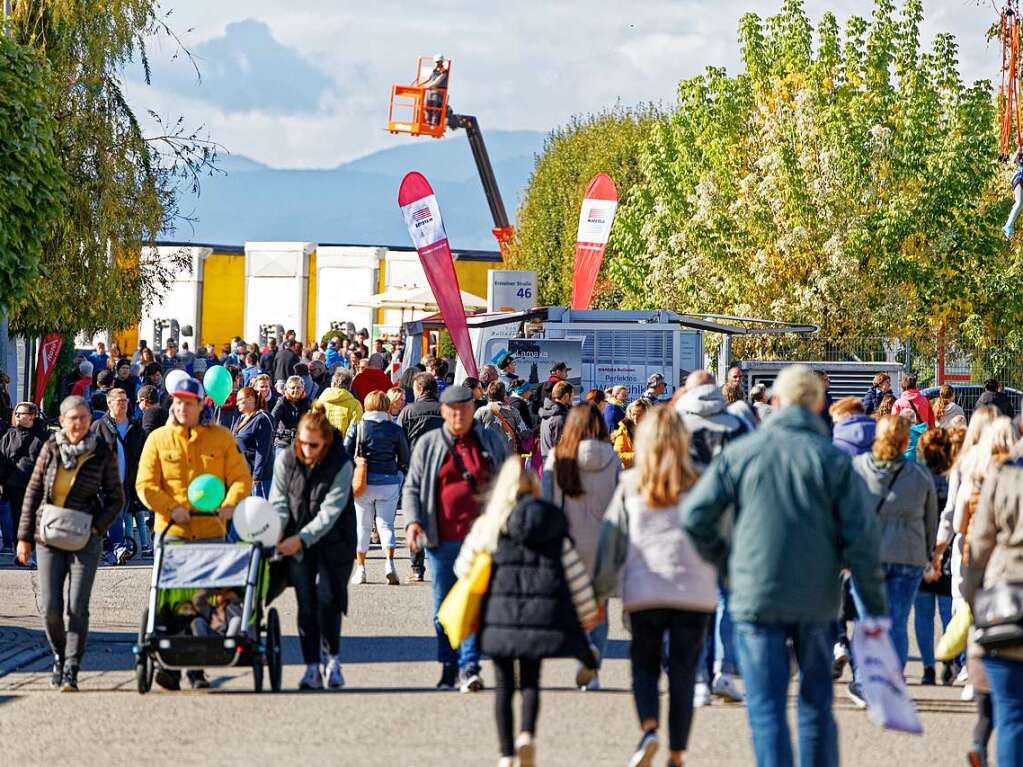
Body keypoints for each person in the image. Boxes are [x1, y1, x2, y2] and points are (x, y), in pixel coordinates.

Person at [683, 365, 886, 767]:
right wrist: (875, 608)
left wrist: (726, 562)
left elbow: (694, 518)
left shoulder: (742, 453)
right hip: (817, 596)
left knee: (767, 707)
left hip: (755, 592)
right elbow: (862, 540)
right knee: (815, 705)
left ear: (775, 401)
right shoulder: (833, 461)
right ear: (817, 405)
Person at [594, 405, 717, 767]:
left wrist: (599, 593)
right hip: (694, 590)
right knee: (683, 670)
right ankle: (677, 752)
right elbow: (721, 535)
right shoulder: (702, 479)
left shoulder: (632, 484)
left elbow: (610, 539)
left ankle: (649, 727)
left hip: (644, 587)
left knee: (644, 665)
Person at [455, 458, 599, 767]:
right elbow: (573, 572)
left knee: (504, 686)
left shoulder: (489, 525)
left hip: (499, 615)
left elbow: (463, 567)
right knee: (531, 681)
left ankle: (506, 753)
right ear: (534, 486)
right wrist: (588, 612)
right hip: (539, 616)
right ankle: (527, 734)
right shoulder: (552, 522)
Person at [135, 375, 252, 689]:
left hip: (211, 530)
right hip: (172, 530)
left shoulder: (222, 439)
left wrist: (229, 504)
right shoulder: (158, 439)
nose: (182, 408)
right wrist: (170, 508)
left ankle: (195, 668)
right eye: (178, 402)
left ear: (202, 405)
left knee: (202, 599)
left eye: (189, 403)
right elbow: (145, 485)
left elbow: (242, 478)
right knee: (173, 599)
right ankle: (172, 666)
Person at [403, 384, 509, 692]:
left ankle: (469, 667)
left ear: (472, 408)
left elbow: (506, 481)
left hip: (480, 541)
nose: (458, 416)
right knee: (443, 608)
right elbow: (412, 486)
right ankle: (448, 665)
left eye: (463, 409)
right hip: (441, 539)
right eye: (451, 411)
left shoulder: (489, 440)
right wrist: (413, 522)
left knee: (472, 603)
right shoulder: (429, 443)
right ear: (444, 413)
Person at [16, 396, 124, 692]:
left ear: (90, 421)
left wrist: (98, 527)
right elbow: (33, 492)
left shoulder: (101, 451)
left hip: (85, 537)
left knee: (77, 606)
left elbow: (117, 497)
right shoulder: (50, 448)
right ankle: (59, 656)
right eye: (72, 418)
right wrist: (24, 537)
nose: (78, 424)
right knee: (51, 607)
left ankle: (72, 667)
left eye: (84, 418)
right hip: (48, 536)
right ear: (61, 421)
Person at [849, 415, 937, 703]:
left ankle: (864, 681)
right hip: (908, 555)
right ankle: (894, 683)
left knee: (868, 621)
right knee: (897, 622)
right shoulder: (920, 474)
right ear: (904, 441)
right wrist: (928, 553)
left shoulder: (859, 468)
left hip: (867, 555)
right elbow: (930, 520)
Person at [270, 401, 357, 690]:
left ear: (326, 442)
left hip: (334, 541)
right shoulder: (285, 460)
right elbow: (279, 500)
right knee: (306, 602)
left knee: (328, 598)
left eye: (314, 445)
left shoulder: (341, 464)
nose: (307, 450)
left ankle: (333, 659)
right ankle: (311, 667)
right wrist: (280, 533)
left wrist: (301, 538)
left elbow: (330, 513)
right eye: (303, 444)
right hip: (296, 541)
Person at [541, 403, 619, 690]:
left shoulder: (557, 460)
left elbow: (549, 506)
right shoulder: (612, 459)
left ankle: (583, 648)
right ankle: (593, 669)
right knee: (600, 608)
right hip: (603, 543)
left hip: (568, 545)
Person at [963, 438, 1023, 767]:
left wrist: (974, 602)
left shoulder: (1002, 476)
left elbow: (980, 544)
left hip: (1005, 599)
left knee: (1012, 714)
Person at [345, 391, 410, 586]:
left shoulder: (359, 427)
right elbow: (405, 458)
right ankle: (390, 564)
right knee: (386, 525)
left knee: (363, 526)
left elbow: (344, 453)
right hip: (388, 481)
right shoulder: (394, 429)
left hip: (363, 482)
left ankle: (361, 569)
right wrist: (398, 474)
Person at [913, 428, 954, 687]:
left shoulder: (917, 478)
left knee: (923, 612)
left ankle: (928, 666)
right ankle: (950, 660)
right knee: (948, 610)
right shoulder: (953, 478)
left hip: (920, 548)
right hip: (948, 548)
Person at [91, 387, 146, 563]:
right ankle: (118, 547)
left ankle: (111, 551)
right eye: (119, 401)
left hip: (128, 481)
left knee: (117, 516)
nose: (123, 404)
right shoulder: (99, 426)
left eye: (125, 401)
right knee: (115, 514)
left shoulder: (135, 426)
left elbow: (143, 453)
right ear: (109, 403)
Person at [673, 370, 749, 468]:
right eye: (735, 376)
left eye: (740, 376)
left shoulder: (672, 425)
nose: (738, 379)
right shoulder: (738, 425)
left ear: (687, 390)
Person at [0, 403, 48, 555]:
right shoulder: (9, 435)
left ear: (32, 416)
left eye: (22, 413)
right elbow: (2, 460)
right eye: (17, 413)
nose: (18, 416)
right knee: (16, 517)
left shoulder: (43, 437)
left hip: (35, 484)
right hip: (13, 485)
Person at [232, 386, 274, 499]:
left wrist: (257, 476)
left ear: (251, 399)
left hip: (259, 478)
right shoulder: (241, 418)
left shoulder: (262, 419)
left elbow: (263, 450)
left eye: (239, 400)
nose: (237, 404)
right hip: (243, 473)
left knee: (260, 513)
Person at [475, 381, 530, 457]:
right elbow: (525, 433)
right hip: (509, 458)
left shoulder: (481, 411)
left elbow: (473, 432)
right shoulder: (513, 411)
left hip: (489, 457)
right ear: (504, 394)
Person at [271, 376, 310, 458]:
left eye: (298, 387)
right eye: (293, 387)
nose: (296, 390)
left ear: (303, 389)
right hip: (283, 442)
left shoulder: (308, 403)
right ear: (286, 389)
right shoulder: (282, 402)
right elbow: (273, 420)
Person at [317, 368, 364, 437]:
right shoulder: (355, 405)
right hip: (342, 445)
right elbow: (354, 432)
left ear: (332, 383)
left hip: (321, 444)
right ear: (350, 386)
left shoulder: (320, 400)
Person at [538, 380, 573, 461]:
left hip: (548, 465)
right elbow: (562, 448)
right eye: (572, 396)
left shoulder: (547, 413)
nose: (572, 399)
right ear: (567, 396)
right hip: (559, 467)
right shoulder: (560, 418)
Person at [611, 399, 649, 470]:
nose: (635, 418)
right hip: (631, 472)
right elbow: (617, 454)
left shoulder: (652, 429)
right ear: (629, 414)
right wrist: (636, 456)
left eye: (639, 414)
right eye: (633, 414)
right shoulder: (624, 430)